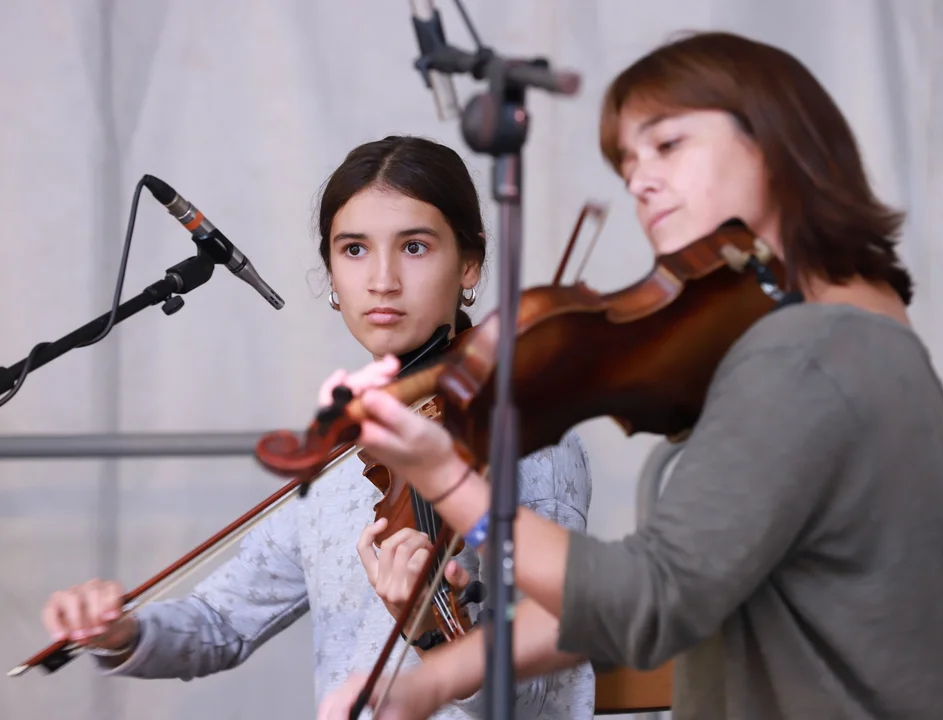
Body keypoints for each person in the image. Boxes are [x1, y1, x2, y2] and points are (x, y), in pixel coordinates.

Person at [315, 32, 943, 720]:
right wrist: (436, 680)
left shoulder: (801, 354)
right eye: (628, 161)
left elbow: (645, 601)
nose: (639, 180)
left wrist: (444, 476)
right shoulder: (866, 329)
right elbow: (681, 575)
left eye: (668, 144)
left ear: (776, 142)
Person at [37, 135, 596, 718]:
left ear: (469, 263)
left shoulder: (529, 436)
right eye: (354, 250)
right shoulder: (347, 447)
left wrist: (431, 633)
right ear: (331, 272)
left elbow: (540, 694)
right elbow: (223, 620)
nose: (382, 280)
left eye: (414, 247)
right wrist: (121, 632)